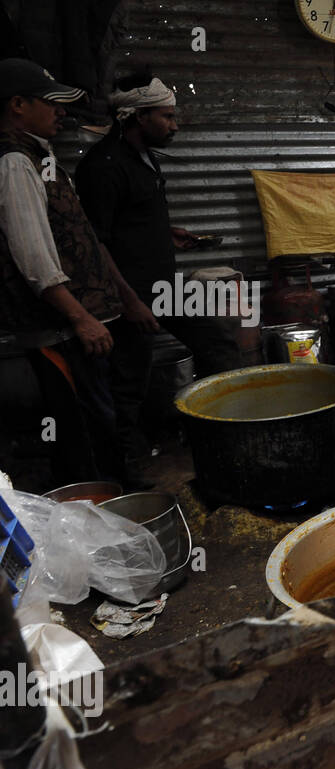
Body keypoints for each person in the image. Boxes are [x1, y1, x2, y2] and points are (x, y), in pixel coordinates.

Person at [0, 58, 157, 487]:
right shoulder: (14, 162)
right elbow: (33, 258)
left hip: (77, 326)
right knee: (84, 433)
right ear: (17, 104)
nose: (61, 112)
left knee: (98, 422)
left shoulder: (39, 155)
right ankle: (99, 515)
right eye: (51, 103)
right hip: (58, 332)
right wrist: (80, 317)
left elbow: (78, 235)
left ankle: (113, 502)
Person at [76, 72, 238, 472]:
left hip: (163, 284)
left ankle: (213, 430)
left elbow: (130, 218)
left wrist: (169, 233)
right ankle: (127, 469)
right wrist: (131, 302)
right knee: (129, 380)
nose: (174, 125)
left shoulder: (144, 157)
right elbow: (97, 241)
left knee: (218, 344)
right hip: (128, 293)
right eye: (166, 116)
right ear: (135, 116)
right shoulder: (103, 167)